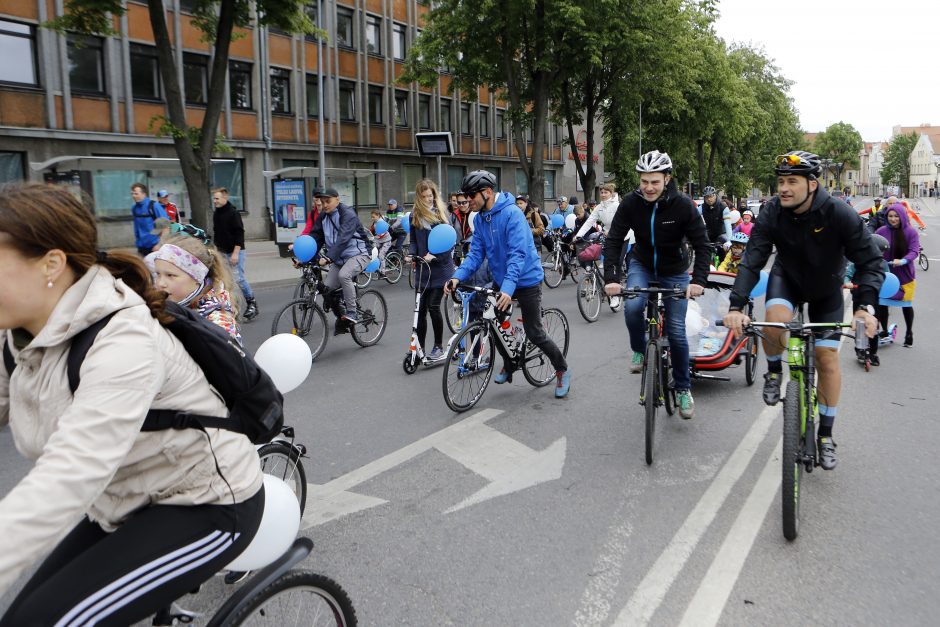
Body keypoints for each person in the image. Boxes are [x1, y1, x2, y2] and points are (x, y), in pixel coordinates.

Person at [0, 183, 263, 625]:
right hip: (125, 498)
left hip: (206, 503)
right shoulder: (20, 332)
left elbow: (72, 470)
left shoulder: (122, 339)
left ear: (51, 264)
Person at [722, 151, 883, 470]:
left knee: (826, 359)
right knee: (775, 323)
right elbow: (753, 258)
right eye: (780, 181)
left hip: (827, 290)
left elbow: (870, 262)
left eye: (791, 182)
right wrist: (737, 304)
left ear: (812, 184)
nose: (783, 188)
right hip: (788, 280)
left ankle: (825, 434)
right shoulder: (771, 212)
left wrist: (865, 307)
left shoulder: (838, 213)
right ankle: (774, 371)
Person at [445, 170, 572, 398]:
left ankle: (562, 369)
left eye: (471, 196)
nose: (467, 201)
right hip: (503, 280)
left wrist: (507, 288)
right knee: (491, 321)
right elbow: (475, 255)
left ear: (487, 192)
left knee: (534, 332)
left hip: (526, 279)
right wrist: (457, 276)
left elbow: (517, 254)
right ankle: (511, 363)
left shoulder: (512, 214)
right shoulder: (482, 219)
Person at [602, 150, 709, 418]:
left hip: (674, 270)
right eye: (644, 181)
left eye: (655, 182)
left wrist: (697, 281)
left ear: (667, 179)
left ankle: (684, 389)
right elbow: (614, 240)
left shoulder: (683, 205)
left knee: (675, 331)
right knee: (632, 305)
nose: (649, 188)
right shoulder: (630, 203)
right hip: (642, 263)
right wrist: (612, 278)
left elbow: (702, 244)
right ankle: (639, 350)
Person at [152, 234, 243, 344]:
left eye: (170, 275)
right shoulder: (167, 306)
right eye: (158, 274)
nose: (160, 283)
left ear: (197, 278)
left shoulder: (216, 323)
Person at [309, 187, 372, 329]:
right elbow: (315, 238)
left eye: (328, 201)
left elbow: (343, 239)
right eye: (322, 202)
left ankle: (352, 312)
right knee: (328, 289)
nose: (325, 205)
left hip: (359, 254)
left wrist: (328, 258)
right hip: (339, 258)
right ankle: (342, 319)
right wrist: (304, 258)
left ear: (337, 200)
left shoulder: (347, 214)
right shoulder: (323, 216)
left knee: (344, 275)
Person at [408, 179, 456, 361]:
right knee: (419, 311)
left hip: (441, 269)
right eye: (425, 196)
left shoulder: (442, 215)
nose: (429, 199)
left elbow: (449, 241)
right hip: (423, 269)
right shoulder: (414, 215)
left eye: (431, 196)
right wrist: (412, 254)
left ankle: (438, 347)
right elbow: (413, 241)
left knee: (433, 307)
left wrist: (434, 256)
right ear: (419, 198)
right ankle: (417, 347)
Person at [875, 203, 920, 347]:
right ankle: (883, 330)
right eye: (890, 216)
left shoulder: (911, 232)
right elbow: (873, 245)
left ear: (901, 216)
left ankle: (909, 332)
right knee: (882, 303)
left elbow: (914, 251)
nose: (893, 219)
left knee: (906, 305)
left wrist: (903, 261)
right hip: (886, 275)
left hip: (905, 276)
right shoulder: (881, 231)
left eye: (896, 216)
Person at [211, 188, 257, 321]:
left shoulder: (233, 213)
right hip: (222, 251)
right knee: (225, 280)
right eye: (214, 198)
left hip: (235, 251)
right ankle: (230, 306)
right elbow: (217, 233)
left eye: (217, 198)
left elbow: (239, 234)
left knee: (239, 279)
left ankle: (252, 303)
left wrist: (235, 253)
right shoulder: (217, 214)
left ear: (225, 198)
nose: (215, 201)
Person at [131, 182, 168, 256]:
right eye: (132, 193)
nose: (133, 196)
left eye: (136, 193)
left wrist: (159, 244)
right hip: (141, 247)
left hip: (155, 246)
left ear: (144, 194)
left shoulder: (153, 206)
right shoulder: (134, 208)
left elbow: (166, 226)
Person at [370, 209, 392, 277]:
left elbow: (380, 235)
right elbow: (371, 230)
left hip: (386, 241)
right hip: (379, 241)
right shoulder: (375, 222)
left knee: (381, 255)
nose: (372, 218)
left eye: (373, 217)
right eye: (371, 217)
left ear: (378, 216)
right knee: (373, 250)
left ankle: (383, 272)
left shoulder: (382, 223)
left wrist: (373, 238)